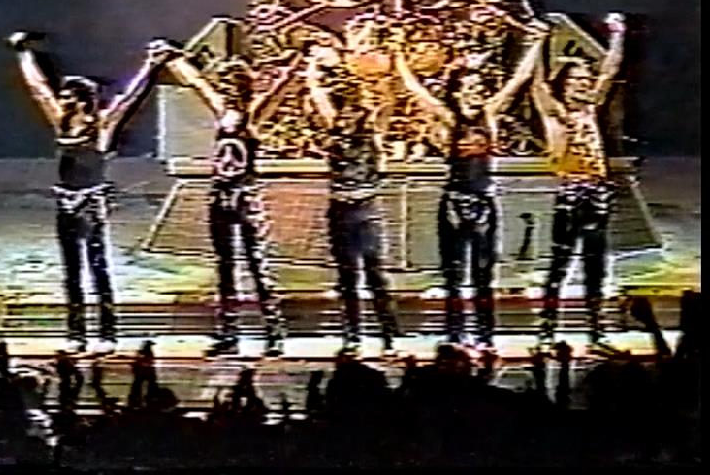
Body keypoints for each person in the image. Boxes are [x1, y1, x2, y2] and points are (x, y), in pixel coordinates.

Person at [8, 32, 174, 353]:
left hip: (90, 205)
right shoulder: (62, 124)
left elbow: (129, 98)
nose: (62, 100)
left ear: (82, 100)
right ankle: (76, 334)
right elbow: (39, 90)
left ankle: (107, 334)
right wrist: (23, 53)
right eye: (63, 96)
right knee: (72, 271)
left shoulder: (101, 128)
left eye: (68, 96)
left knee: (98, 268)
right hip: (65, 204)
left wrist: (151, 65)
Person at [394, 21, 546, 350]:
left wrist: (536, 43)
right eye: (472, 87)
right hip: (453, 202)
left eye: (481, 87)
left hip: (484, 203)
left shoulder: (489, 115)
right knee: (453, 275)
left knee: (483, 274)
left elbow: (519, 79)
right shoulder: (451, 119)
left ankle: (485, 336)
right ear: (458, 91)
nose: (479, 91)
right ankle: (454, 335)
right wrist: (397, 52)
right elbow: (414, 89)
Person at [164, 43, 299, 357]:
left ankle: (274, 333)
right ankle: (228, 334)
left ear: (242, 87)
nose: (225, 89)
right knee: (224, 266)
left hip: (246, 199)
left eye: (230, 84)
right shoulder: (222, 112)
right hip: (220, 197)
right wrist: (175, 60)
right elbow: (198, 84)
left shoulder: (252, 116)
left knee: (256, 264)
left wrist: (295, 67)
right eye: (223, 84)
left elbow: (278, 92)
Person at [530, 13, 627, 349]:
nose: (585, 85)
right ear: (564, 84)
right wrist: (538, 42)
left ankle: (597, 332)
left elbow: (610, 70)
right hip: (571, 194)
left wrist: (617, 33)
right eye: (577, 80)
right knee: (560, 264)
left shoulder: (590, 109)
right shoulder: (555, 113)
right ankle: (546, 332)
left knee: (595, 265)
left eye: (587, 79)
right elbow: (537, 83)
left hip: (598, 194)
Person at [305, 39, 400, 356]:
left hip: (366, 211)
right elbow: (318, 96)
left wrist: (390, 68)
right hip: (340, 210)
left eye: (352, 114)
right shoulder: (335, 133)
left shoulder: (372, 136)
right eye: (343, 113)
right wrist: (312, 66)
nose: (346, 119)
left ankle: (388, 336)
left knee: (375, 274)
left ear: (360, 114)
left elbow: (388, 105)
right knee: (347, 276)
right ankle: (352, 336)